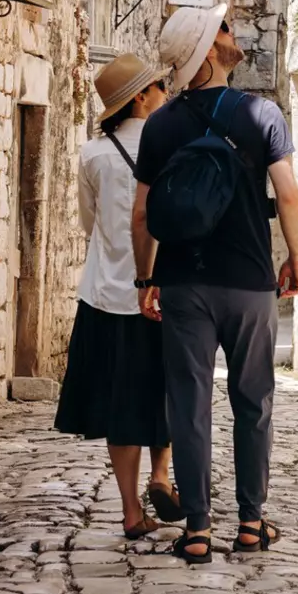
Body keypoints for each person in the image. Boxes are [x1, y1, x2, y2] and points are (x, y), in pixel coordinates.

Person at [130, 5, 298, 564]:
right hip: (251, 282)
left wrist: (147, 276)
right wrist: (296, 256)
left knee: (189, 402)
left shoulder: (161, 125)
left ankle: (199, 528)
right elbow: (289, 194)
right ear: (207, 50)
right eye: (223, 30)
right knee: (253, 401)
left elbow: (142, 213)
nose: (233, 35)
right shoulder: (261, 115)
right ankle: (251, 522)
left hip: (184, 283)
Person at [54, 54, 184, 539]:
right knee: (168, 389)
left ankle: (131, 511)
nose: (165, 95)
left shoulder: (92, 155)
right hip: (165, 292)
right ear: (139, 98)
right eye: (157, 88)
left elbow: (90, 225)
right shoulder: (173, 149)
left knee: (121, 401)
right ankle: (161, 473)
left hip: (107, 295)